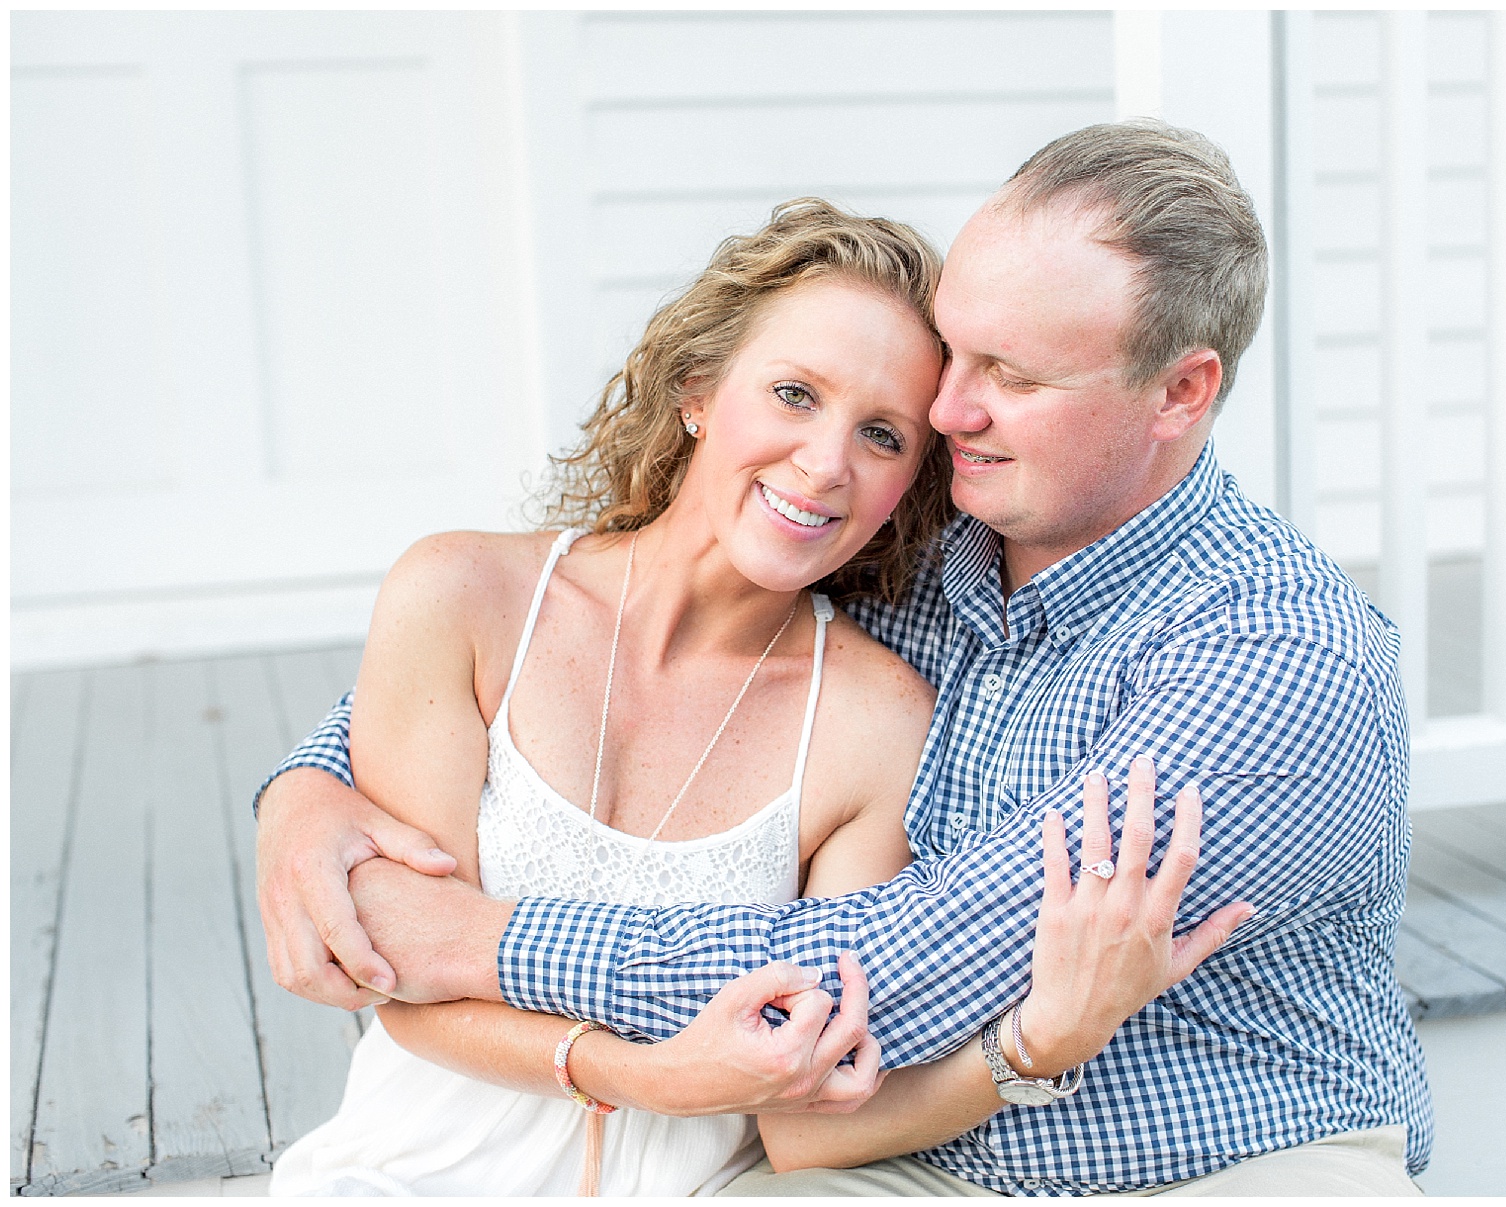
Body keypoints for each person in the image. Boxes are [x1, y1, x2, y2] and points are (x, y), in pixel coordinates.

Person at [258, 120, 1433, 1195]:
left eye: (1013, 378)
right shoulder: (915, 552)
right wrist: (307, 791)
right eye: (955, 359)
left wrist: (474, 936)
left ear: (1180, 391)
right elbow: (549, 658)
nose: (950, 415)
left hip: (1218, 1155)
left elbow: (902, 964)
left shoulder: (1275, 654)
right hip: (896, 1149)